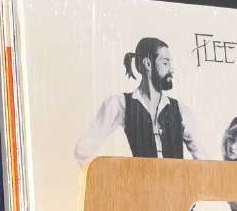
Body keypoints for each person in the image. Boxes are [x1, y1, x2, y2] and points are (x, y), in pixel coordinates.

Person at [74, 37, 215, 164]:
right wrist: (112, 182)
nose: (171, 69)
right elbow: (83, 150)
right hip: (142, 192)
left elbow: (206, 163)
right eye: (165, 63)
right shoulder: (120, 104)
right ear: (148, 64)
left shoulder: (181, 111)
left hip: (178, 192)